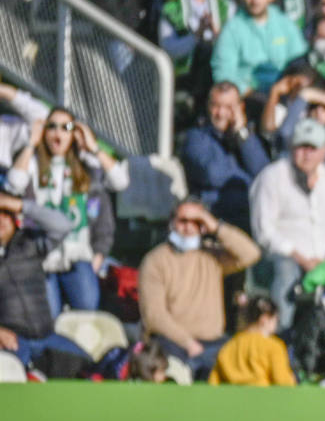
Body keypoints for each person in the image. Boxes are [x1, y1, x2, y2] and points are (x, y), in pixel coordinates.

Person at [5, 108, 128, 316]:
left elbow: (120, 181)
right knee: (48, 314)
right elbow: (13, 184)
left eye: (66, 127)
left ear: (75, 134)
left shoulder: (87, 167)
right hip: (42, 254)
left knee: (88, 306)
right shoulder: (33, 163)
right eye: (51, 126)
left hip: (78, 253)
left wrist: (93, 147)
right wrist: (30, 144)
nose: (58, 133)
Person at [138, 196, 260, 376]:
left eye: (196, 221)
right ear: (172, 223)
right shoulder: (155, 260)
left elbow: (251, 254)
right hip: (172, 343)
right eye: (183, 221)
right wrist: (188, 343)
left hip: (214, 342)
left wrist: (215, 226)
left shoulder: (212, 256)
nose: (188, 227)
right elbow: (154, 316)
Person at [248, 118, 325, 327]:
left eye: (313, 148)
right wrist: (301, 258)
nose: (307, 153)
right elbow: (264, 232)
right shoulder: (272, 177)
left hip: (324, 261)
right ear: (291, 147)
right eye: (301, 147)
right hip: (281, 260)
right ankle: (281, 335)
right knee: (287, 272)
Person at [0, 191, 90, 370]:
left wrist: (22, 205)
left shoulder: (28, 243)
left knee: (88, 368)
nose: (1, 220)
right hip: (13, 340)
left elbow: (63, 226)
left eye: (5, 213)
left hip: (46, 336)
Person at [179, 83, 272, 232]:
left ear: (240, 107)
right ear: (208, 106)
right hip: (215, 216)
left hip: (250, 215)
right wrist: (246, 180)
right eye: (215, 106)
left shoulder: (248, 138)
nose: (221, 113)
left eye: (228, 107)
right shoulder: (195, 137)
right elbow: (213, 174)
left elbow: (264, 173)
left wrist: (242, 136)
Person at [211, 0, 309, 98]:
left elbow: (299, 59)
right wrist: (246, 92)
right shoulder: (231, 29)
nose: (255, 0)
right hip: (248, 96)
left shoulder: (284, 23)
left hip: (283, 92)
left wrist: (293, 82)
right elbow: (223, 73)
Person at [208, 295, 296, 386]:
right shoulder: (274, 346)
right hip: (263, 397)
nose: (276, 324)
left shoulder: (228, 346)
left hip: (232, 398)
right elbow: (282, 382)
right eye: (275, 319)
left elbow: (214, 381)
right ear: (264, 319)